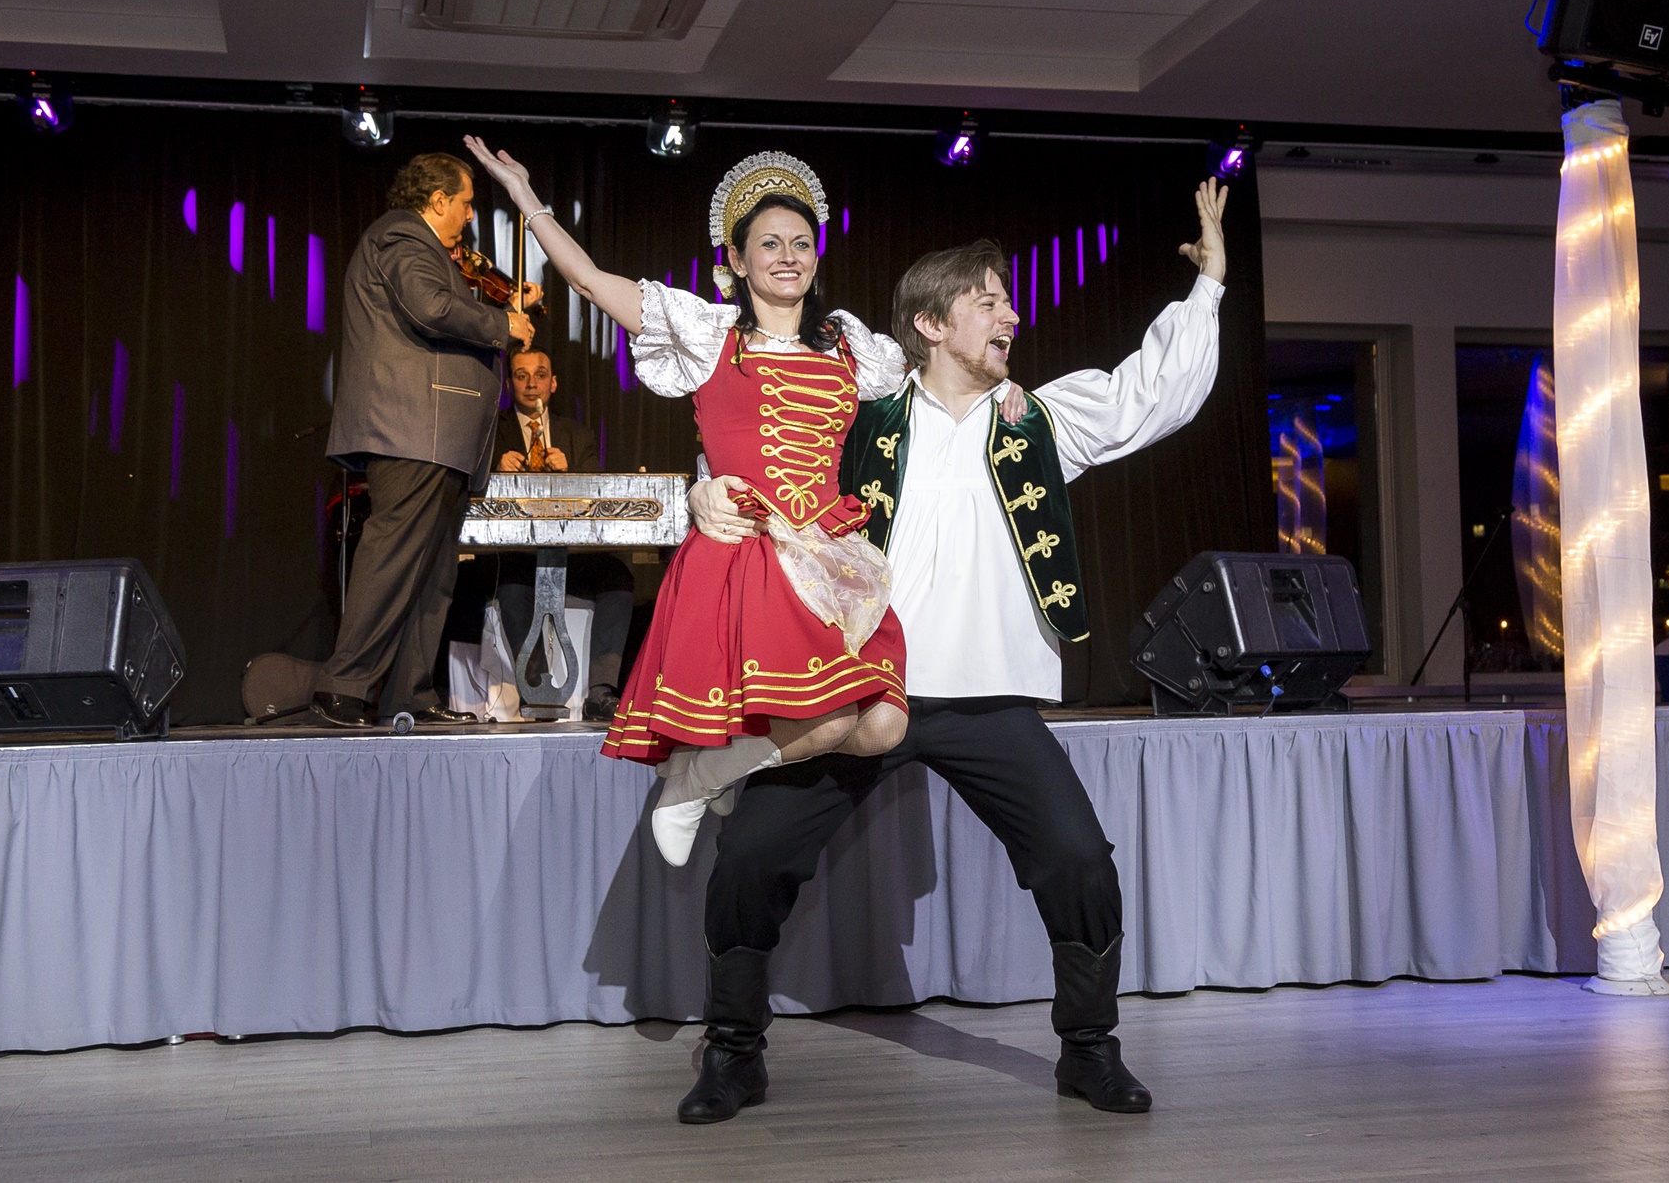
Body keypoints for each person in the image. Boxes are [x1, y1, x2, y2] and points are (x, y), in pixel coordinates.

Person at [675, 179, 1229, 1124]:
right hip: (863, 691)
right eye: (989, 301)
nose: (1011, 316)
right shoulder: (863, 416)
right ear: (931, 324)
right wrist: (704, 490)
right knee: (751, 855)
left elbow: (1153, 391)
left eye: (1008, 302)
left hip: (986, 698)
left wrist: (1208, 285)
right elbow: (762, 450)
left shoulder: (1038, 419)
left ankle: (1088, 1049)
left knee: (1079, 860)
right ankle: (732, 1051)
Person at [467, 138, 941, 867]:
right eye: (769, 244)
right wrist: (526, 197)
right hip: (749, 552)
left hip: (829, 560)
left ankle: (705, 772)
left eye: (801, 243)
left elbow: (938, 369)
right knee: (824, 722)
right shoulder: (707, 331)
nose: (788, 256)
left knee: (883, 727)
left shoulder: (850, 344)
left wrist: (1003, 386)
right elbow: (589, 280)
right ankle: (692, 786)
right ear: (738, 261)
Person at [311, 153, 535, 727]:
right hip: (413, 429)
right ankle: (342, 686)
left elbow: (443, 306)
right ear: (437, 200)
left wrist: (503, 307)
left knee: (434, 577)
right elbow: (431, 308)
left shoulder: (427, 248)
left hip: (439, 436)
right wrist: (501, 323)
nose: (470, 215)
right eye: (465, 203)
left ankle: (409, 693)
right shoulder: (403, 236)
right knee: (392, 562)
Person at [488, 347, 635, 721]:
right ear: (509, 384)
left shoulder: (576, 434)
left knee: (619, 578)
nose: (531, 384)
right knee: (512, 585)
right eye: (521, 375)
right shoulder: (491, 431)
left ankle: (601, 692)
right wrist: (493, 467)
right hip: (518, 554)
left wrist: (572, 475)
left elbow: (599, 497)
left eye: (540, 375)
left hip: (572, 553)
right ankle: (537, 689)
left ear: (553, 383)